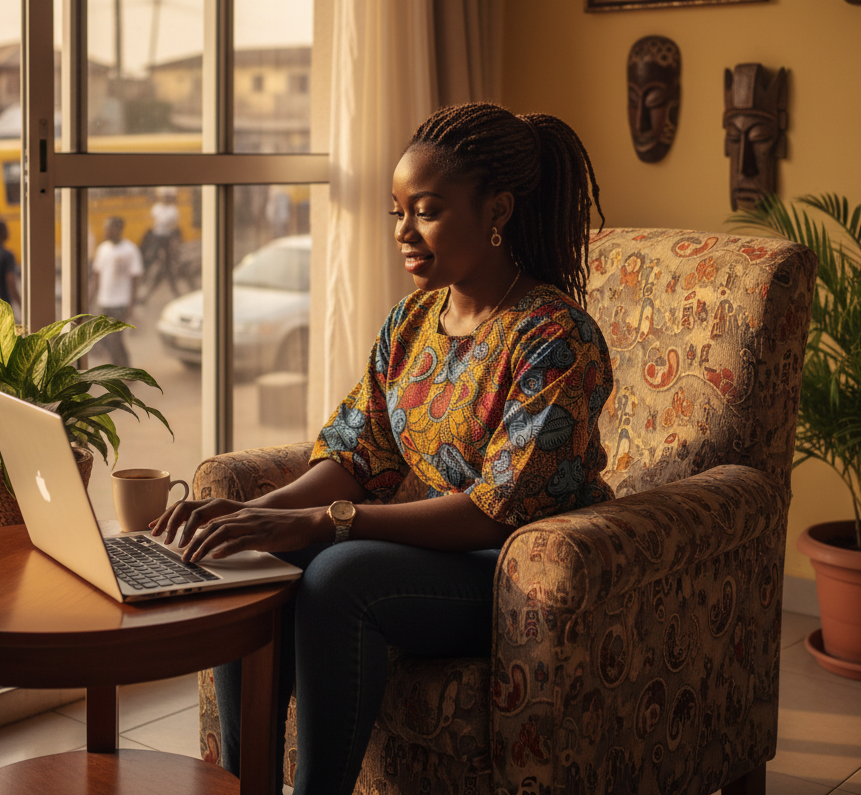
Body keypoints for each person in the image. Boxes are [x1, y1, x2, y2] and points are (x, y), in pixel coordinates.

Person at [151, 103, 616, 794]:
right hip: (437, 550)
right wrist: (261, 516)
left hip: (518, 573)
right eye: (396, 210)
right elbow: (357, 451)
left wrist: (325, 522)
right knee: (251, 551)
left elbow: (496, 512)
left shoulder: (556, 338)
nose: (403, 231)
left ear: (498, 211)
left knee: (342, 575)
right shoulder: (411, 321)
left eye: (425, 211)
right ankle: (239, 785)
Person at [89, 217, 143, 367]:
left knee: (115, 339)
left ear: (118, 229)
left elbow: (135, 279)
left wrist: (132, 304)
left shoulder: (130, 250)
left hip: (121, 303)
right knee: (106, 339)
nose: (106, 231)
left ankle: (120, 371)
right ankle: (125, 368)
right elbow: (96, 277)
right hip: (104, 301)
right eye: (106, 228)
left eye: (110, 228)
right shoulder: (102, 249)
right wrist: (89, 299)